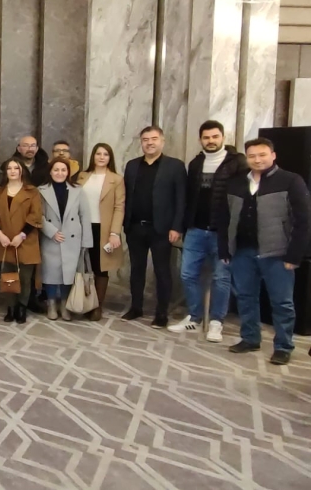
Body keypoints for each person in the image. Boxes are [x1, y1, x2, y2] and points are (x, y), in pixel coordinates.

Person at [216, 138, 311, 365]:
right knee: (246, 298)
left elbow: (303, 220)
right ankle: (250, 338)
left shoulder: (291, 181)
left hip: (277, 253)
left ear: (273, 155)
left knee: (282, 302)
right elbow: (223, 218)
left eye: (262, 154)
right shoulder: (236, 183)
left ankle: (283, 346)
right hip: (242, 251)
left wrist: (294, 255)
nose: (257, 159)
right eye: (252, 156)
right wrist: (224, 248)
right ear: (246, 157)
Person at [170, 120, 247, 341]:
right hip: (196, 229)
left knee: (221, 278)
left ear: (223, 137)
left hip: (223, 233)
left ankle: (216, 322)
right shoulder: (196, 163)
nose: (211, 141)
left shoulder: (237, 162)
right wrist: (182, 225)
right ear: (201, 140)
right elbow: (189, 197)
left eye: (215, 136)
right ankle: (194, 317)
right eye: (206, 137)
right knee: (187, 274)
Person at [122, 126, 187, 328]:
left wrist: (176, 227)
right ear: (141, 142)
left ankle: (161, 313)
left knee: (162, 271)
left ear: (162, 141)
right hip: (135, 227)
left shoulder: (175, 166)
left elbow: (181, 199)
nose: (149, 143)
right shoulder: (132, 166)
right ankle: (136, 307)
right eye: (145, 139)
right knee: (136, 269)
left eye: (154, 139)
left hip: (162, 229)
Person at [0, 157, 43, 324]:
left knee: (25, 278)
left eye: (16, 168)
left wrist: (22, 235)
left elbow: (35, 216)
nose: (12, 171)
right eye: (9, 168)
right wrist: (0, 235)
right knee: (8, 276)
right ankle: (10, 308)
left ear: (22, 171)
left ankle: (22, 307)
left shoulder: (32, 192)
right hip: (5, 242)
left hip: (25, 241)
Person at [38, 158, 92, 320]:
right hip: (51, 238)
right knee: (50, 273)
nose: (59, 173)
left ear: (68, 172)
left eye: (63, 170)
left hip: (72, 238)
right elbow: (37, 215)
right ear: (50, 172)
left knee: (68, 274)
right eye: (56, 170)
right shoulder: (41, 190)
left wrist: (86, 242)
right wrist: (51, 231)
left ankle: (65, 304)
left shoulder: (78, 190)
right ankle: (51, 304)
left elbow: (85, 216)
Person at [76, 143, 125, 321]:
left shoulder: (116, 179)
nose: (102, 157)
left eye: (105, 154)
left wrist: (115, 233)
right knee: (83, 266)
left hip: (103, 229)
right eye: (98, 153)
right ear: (93, 156)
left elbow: (119, 207)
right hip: (82, 227)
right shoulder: (82, 176)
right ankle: (83, 302)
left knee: (100, 268)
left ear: (110, 158)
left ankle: (97, 306)